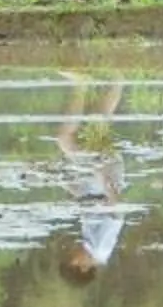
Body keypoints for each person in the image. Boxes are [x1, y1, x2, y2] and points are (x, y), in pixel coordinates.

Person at [53, 77, 130, 282]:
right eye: (72, 259)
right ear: (84, 268)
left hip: (95, 179)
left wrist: (66, 184)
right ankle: (81, 83)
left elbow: (90, 203)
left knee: (98, 120)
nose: (72, 253)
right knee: (66, 139)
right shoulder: (100, 249)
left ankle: (118, 76)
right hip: (103, 175)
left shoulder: (91, 246)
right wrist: (103, 178)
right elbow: (116, 215)